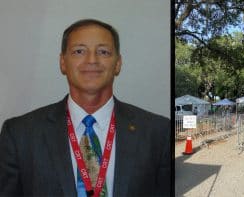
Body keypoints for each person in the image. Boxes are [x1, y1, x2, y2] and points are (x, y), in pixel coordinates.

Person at [0, 19, 170, 197]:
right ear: (63, 62)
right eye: (79, 51)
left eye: (103, 52)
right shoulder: (19, 134)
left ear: (118, 63)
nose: (92, 60)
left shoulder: (158, 133)